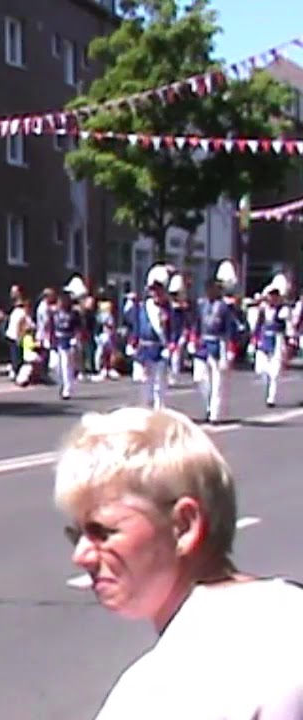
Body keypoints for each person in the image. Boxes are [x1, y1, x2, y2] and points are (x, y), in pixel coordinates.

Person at [53, 407, 303, 719]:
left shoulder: (164, 690)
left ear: (183, 526)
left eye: (103, 532)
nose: (81, 555)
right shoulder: (289, 609)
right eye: (75, 534)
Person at [191, 260, 239, 424]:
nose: (210, 291)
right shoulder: (201, 305)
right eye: (208, 288)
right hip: (203, 344)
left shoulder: (224, 308)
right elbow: (196, 324)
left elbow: (230, 329)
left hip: (218, 345)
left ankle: (214, 414)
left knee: (217, 381)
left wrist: (230, 350)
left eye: (213, 288)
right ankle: (208, 404)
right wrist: (193, 339)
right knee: (200, 378)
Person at [129, 263, 173, 410]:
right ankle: (146, 409)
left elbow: (173, 329)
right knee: (145, 382)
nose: (155, 293)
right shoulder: (143, 307)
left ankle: (159, 410)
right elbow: (136, 326)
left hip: (160, 348)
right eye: (153, 290)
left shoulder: (169, 309)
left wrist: (171, 345)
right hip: (145, 349)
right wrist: (132, 342)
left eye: (158, 290)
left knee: (159, 384)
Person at [253, 274, 291, 408]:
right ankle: (267, 380)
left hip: (277, 339)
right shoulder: (263, 310)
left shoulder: (283, 310)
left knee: (274, 371)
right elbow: (258, 325)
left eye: (275, 295)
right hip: (264, 339)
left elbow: (288, 328)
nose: (272, 298)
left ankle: (271, 398)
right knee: (260, 369)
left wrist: (289, 343)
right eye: (271, 295)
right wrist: (255, 339)